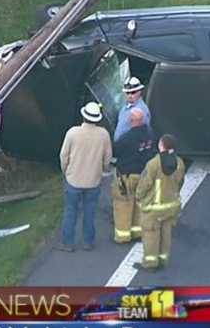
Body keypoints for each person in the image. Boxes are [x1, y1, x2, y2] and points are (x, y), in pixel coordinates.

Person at [58, 102, 112, 252]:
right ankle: (88, 241)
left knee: (70, 211)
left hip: (73, 179)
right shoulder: (103, 134)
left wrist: (66, 171)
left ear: (83, 116)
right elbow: (107, 158)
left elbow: (64, 155)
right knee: (90, 212)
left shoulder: (73, 133)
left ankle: (67, 243)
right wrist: (102, 170)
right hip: (93, 181)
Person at [133, 134, 185, 270]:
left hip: (154, 208)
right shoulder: (179, 162)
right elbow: (180, 182)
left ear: (161, 145)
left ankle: (150, 263)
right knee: (166, 233)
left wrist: (139, 196)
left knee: (151, 235)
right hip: (172, 206)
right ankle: (163, 259)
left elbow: (145, 184)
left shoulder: (153, 164)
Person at [111, 108, 156, 243]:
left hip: (127, 176)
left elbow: (115, 152)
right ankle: (138, 233)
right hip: (144, 174)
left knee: (123, 204)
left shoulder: (127, 138)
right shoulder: (150, 134)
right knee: (139, 204)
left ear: (131, 121)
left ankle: (123, 236)